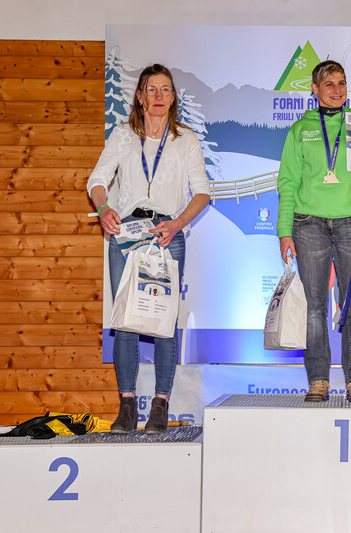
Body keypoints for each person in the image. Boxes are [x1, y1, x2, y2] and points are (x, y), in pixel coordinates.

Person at [87, 64, 211, 434]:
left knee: (164, 322)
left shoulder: (186, 140)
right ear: (140, 96)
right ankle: (127, 406)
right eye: (151, 89)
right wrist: (103, 209)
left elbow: (202, 193)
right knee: (125, 320)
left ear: (173, 98)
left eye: (165, 90)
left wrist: (177, 224)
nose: (158, 96)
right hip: (126, 235)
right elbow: (97, 180)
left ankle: (160, 404)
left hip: (166, 235)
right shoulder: (122, 135)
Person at [277, 60, 351, 403]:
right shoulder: (300, 130)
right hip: (308, 224)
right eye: (329, 84)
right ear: (314, 89)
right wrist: (284, 231)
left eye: (342, 83)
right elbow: (288, 183)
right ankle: (318, 380)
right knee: (314, 307)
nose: (337, 90)